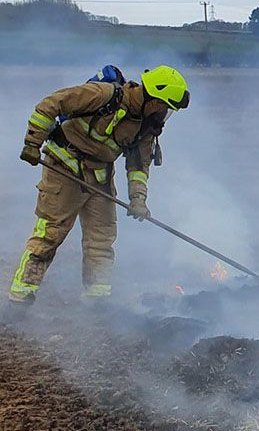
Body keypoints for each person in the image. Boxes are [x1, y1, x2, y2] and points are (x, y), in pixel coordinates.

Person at [9, 65, 190, 309]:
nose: (165, 113)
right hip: (63, 166)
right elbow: (51, 104)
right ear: (154, 99)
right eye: (165, 107)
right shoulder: (104, 95)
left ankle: (97, 299)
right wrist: (32, 142)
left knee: (101, 239)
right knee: (50, 233)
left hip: (100, 176)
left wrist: (138, 199)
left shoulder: (146, 127)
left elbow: (138, 166)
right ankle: (20, 298)